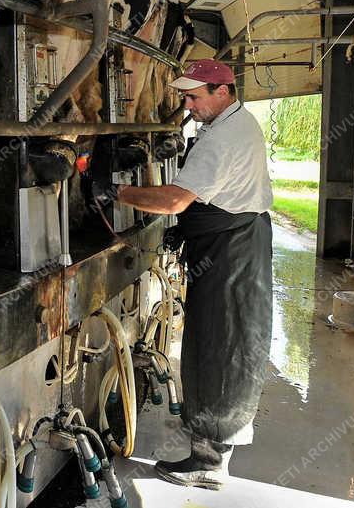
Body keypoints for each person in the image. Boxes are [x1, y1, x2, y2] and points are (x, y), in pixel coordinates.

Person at [114, 58, 273, 490]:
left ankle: (210, 461)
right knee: (215, 342)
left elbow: (173, 201)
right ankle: (210, 442)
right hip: (230, 249)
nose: (186, 105)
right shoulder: (228, 125)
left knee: (223, 347)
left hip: (232, 257)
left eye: (193, 96)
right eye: (185, 96)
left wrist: (116, 191)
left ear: (223, 91)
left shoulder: (225, 138)